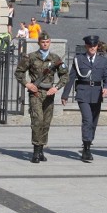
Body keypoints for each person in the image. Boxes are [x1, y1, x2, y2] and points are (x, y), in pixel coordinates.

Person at [14, 32, 69, 163]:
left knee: (46, 123)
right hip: (36, 93)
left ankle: (41, 148)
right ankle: (36, 150)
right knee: (37, 120)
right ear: (39, 43)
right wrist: (27, 84)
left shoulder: (55, 58)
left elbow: (65, 75)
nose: (45, 44)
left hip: (49, 93)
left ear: (50, 43)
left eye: (47, 42)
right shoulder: (31, 57)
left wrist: (56, 87)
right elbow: (19, 72)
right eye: (43, 42)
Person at [61, 35, 107, 162]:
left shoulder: (102, 60)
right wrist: (65, 94)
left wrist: (106, 87)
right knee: (87, 120)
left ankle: (88, 141)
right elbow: (71, 77)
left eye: (94, 46)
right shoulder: (79, 59)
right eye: (89, 46)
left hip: (97, 93)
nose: (92, 48)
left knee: (94, 121)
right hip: (83, 92)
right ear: (86, 46)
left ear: (97, 46)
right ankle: (87, 149)